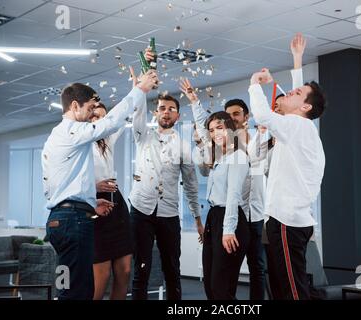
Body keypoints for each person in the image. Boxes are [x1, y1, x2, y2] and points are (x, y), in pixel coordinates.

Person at [42, 68, 158, 300]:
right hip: (73, 221)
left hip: (62, 218)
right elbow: (112, 122)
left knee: (69, 286)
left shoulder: (56, 136)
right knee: (78, 290)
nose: (92, 114)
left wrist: (91, 202)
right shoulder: (72, 131)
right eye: (89, 108)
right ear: (75, 106)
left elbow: (61, 185)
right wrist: (138, 90)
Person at [130, 49, 204, 301]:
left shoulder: (183, 146)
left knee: (172, 269)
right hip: (141, 210)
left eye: (171, 109)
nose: (166, 112)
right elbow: (136, 114)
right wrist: (140, 88)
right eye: (162, 108)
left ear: (177, 115)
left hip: (169, 214)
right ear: (156, 112)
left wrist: (197, 218)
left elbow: (192, 186)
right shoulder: (142, 136)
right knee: (141, 267)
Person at [248, 63, 326, 300]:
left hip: (286, 221)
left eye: (298, 92)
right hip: (285, 220)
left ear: (305, 106)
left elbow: (263, 114)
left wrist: (254, 83)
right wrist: (297, 61)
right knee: (284, 287)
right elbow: (255, 157)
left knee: (292, 290)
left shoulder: (298, 125)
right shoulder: (297, 130)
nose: (290, 92)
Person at [180, 80, 250, 300]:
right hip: (214, 218)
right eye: (212, 130)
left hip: (230, 220)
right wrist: (194, 102)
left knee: (221, 286)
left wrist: (228, 229)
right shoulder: (218, 156)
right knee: (211, 284)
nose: (215, 133)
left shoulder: (238, 156)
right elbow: (203, 128)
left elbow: (233, 195)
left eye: (220, 128)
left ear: (230, 128)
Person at [90, 103, 133, 300]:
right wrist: (93, 186)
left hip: (117, 203)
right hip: (94, 203)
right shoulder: (78, 143)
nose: (100, 121)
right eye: (95, 116)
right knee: (102, 274)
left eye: (103, 118)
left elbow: (121, 116)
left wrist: (138, 89)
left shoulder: (108, 138)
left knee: (124, 271)